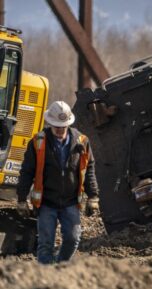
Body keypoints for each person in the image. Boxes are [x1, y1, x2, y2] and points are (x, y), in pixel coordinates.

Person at [16, 101, 99, 264]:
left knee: (73, 239)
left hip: (70, 202)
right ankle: (46, 278)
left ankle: (60, 266)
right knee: (45, 244)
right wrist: (21, 199)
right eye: (56, 126)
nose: (60, 130)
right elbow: (27, 172)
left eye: (63, 126)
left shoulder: (81, 141)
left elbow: (88, 168)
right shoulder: (38, 142)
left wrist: (93, 196)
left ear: (68, 123)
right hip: (46, 202)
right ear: (50, 123)